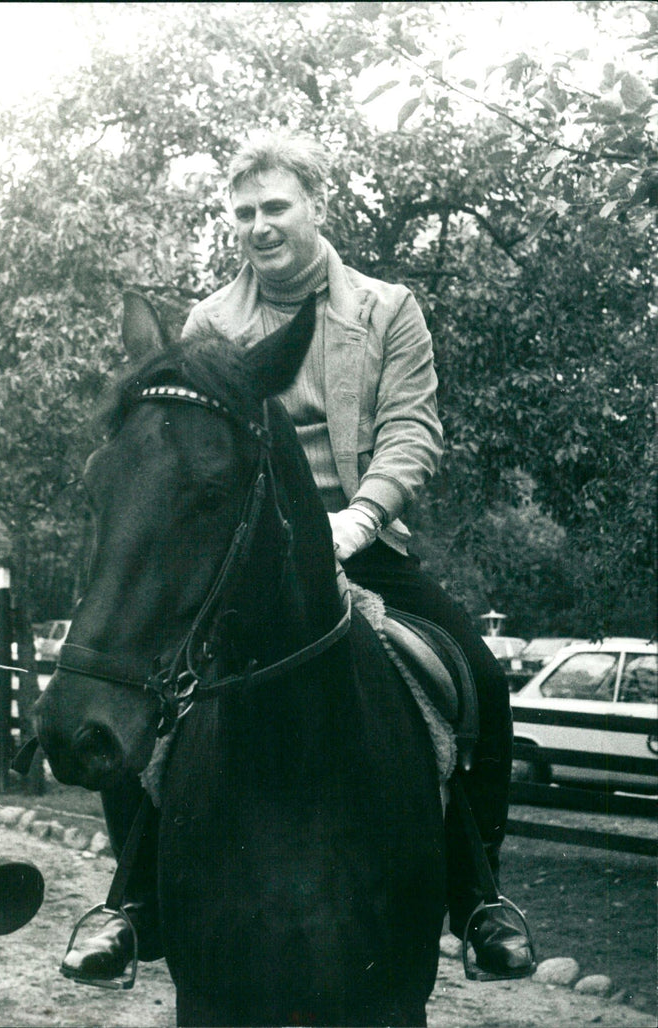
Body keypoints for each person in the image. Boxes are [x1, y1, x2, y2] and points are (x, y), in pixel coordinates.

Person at [63, 131, 532, 982]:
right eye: (242, 212)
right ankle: (133, 899)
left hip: (361, 540)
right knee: (139, 679)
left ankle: (478, 894)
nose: (258, 225)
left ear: (317, 205)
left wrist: (358, 518)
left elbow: (412, 430)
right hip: (244, 553)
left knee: (479, 673)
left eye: (275, 206)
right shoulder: (211, 324)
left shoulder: (389, 310)